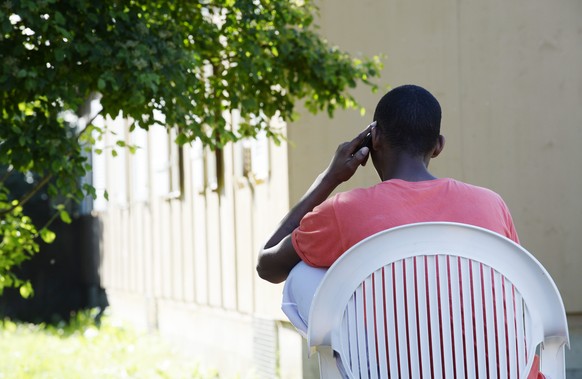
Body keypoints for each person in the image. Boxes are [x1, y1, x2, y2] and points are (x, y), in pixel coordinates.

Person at [256, 85, 543, 378]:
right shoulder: (491, 204)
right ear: (438, 145)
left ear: (375, 138)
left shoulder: (346, 210)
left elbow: (268, 266)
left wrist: (328, 178)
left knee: (304, 272)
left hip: (402, 369)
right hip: (510, 373)